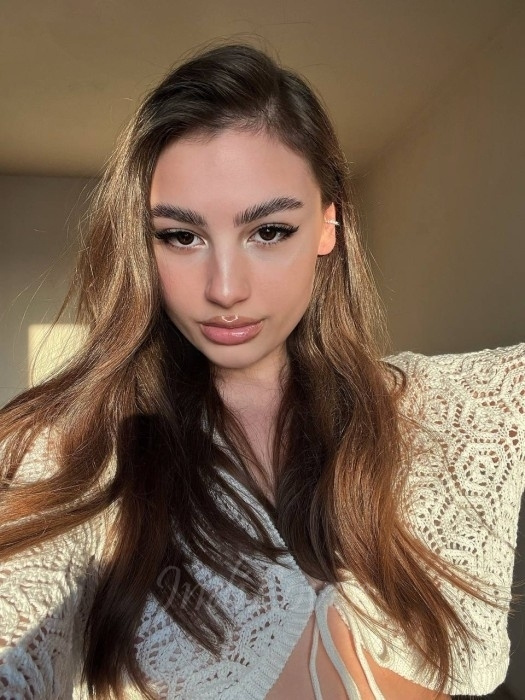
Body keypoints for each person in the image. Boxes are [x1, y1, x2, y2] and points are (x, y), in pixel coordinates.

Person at [0, 42, 523, 700]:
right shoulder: (77, 451)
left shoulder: (460, 407)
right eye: (181, 236)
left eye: (269, 231)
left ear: (328, 223)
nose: (225, 289)